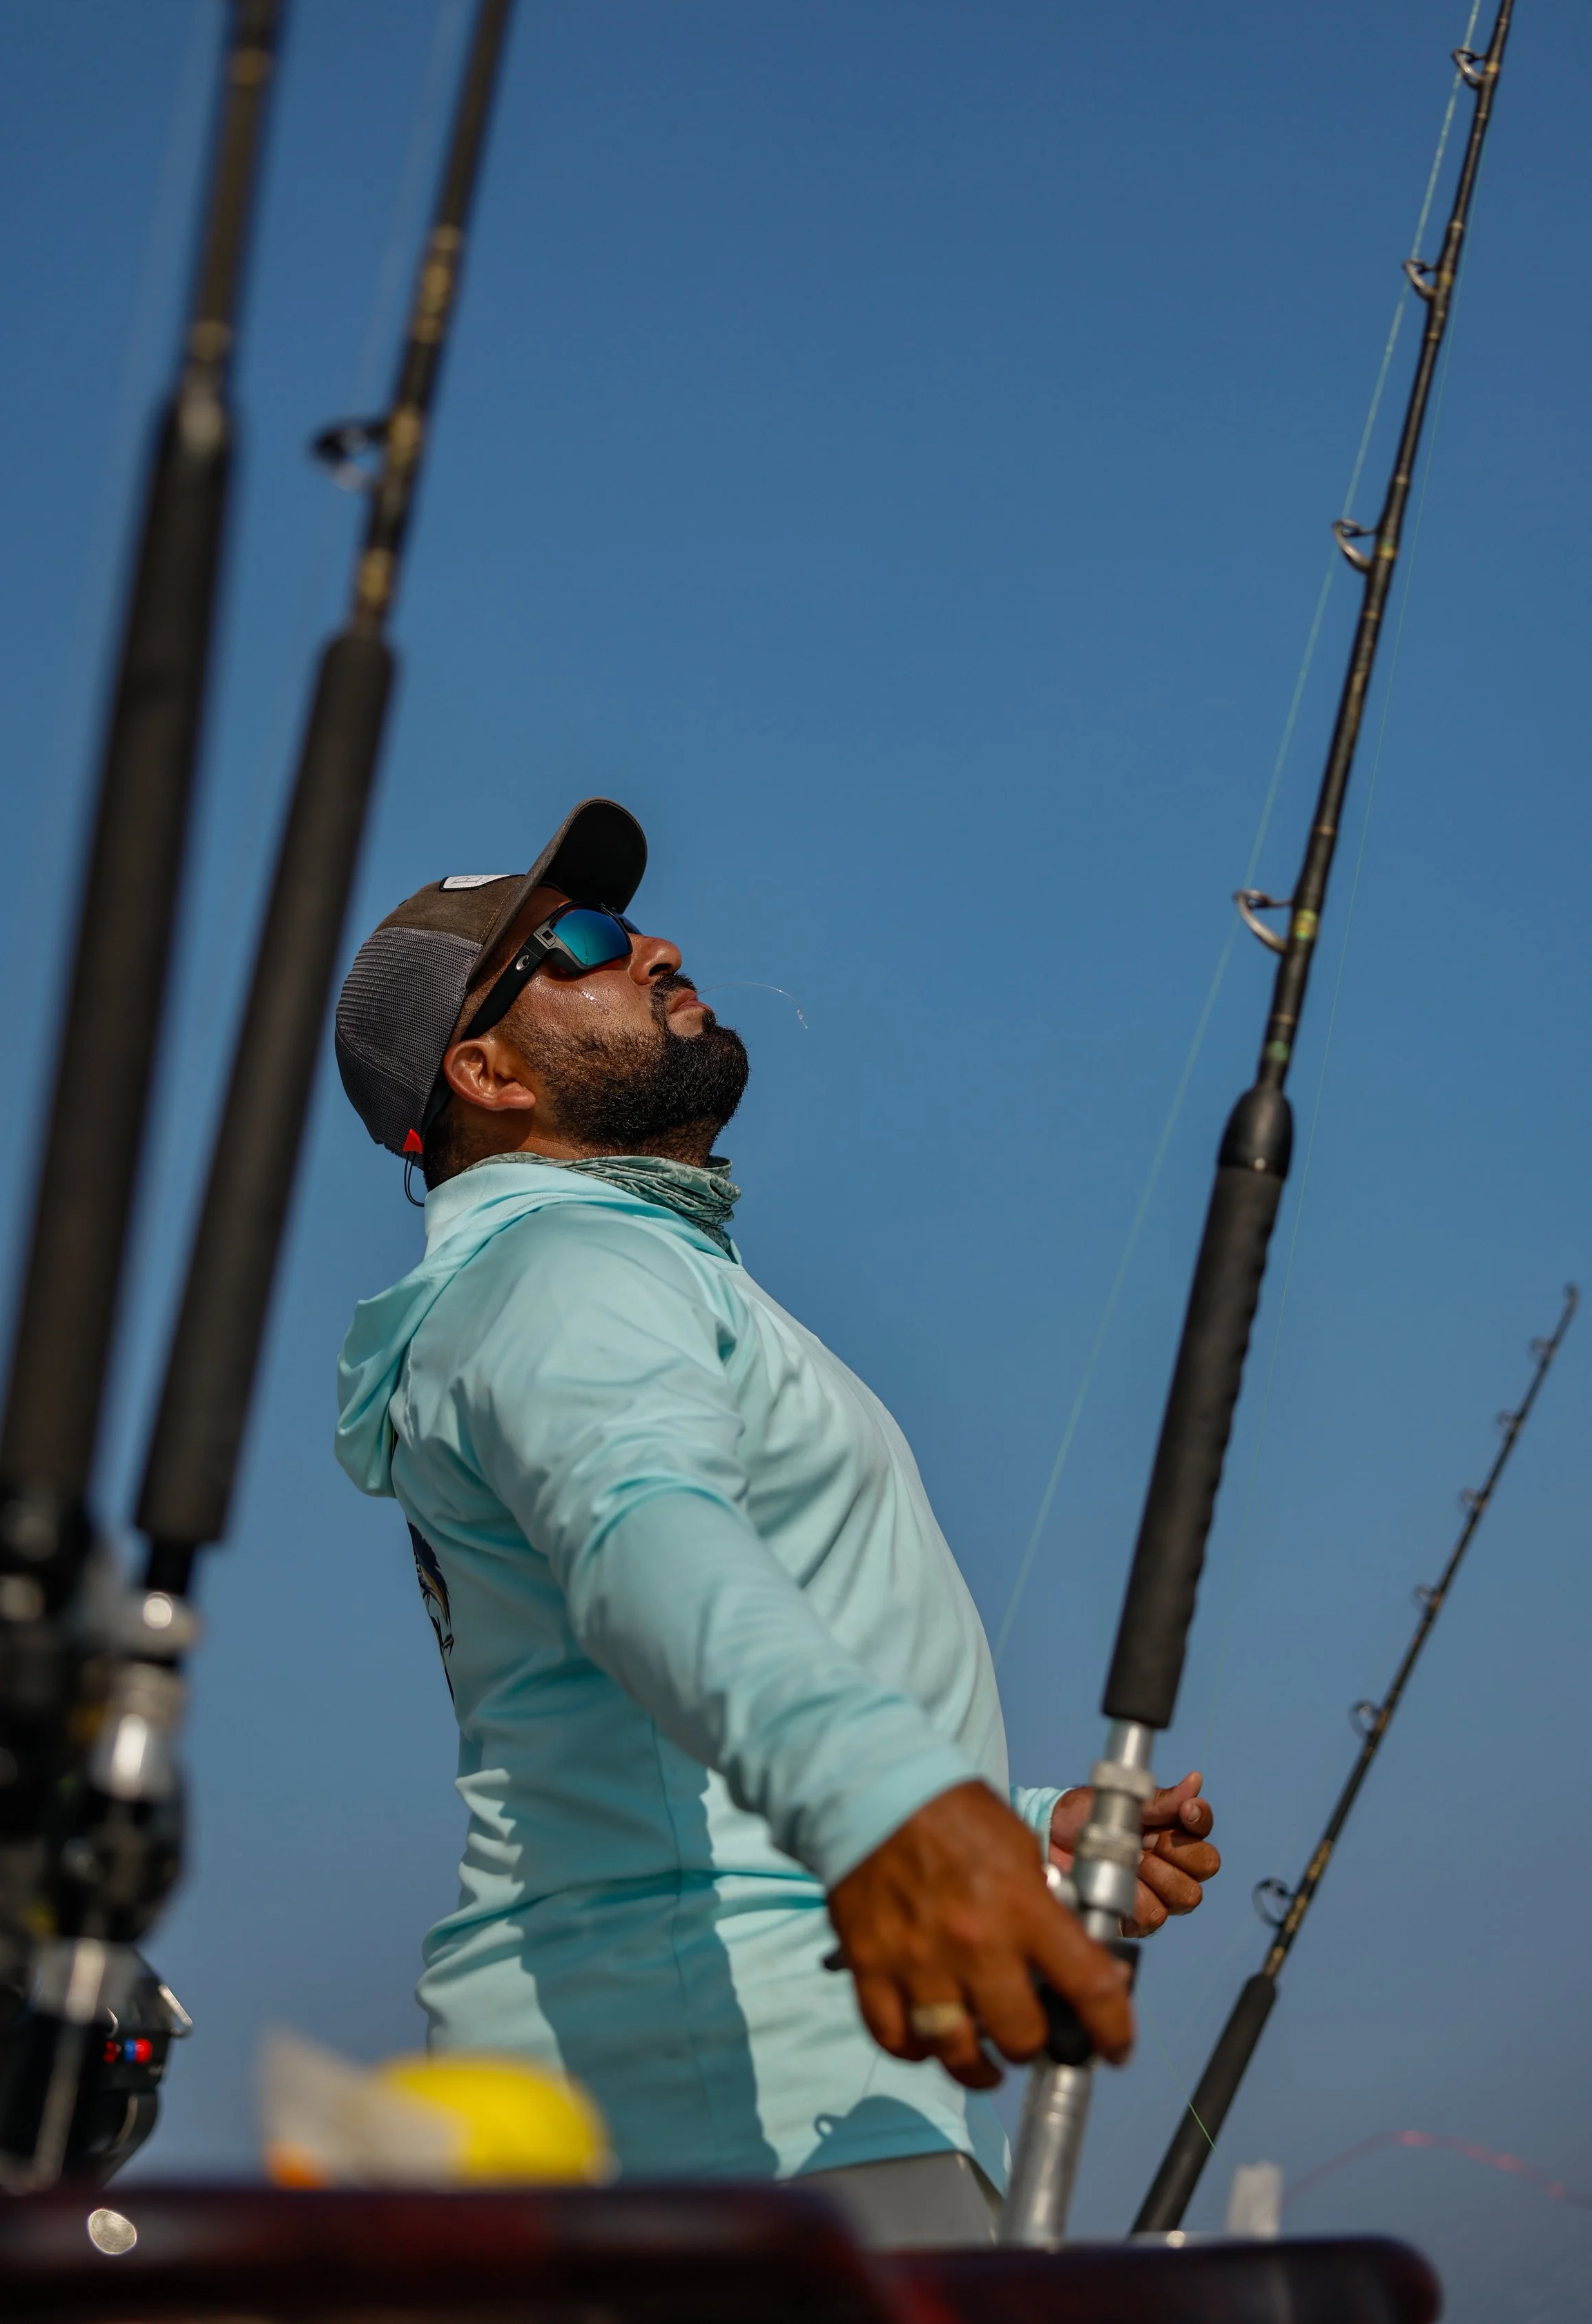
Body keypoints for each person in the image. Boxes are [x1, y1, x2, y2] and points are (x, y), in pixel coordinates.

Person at [333, 800, 1219, 2245]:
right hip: (730, 2136)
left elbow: (668, 1722)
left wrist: (1023, 1825)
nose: (655, 943)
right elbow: (644, 1547)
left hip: (767, 2113)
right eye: (583, 941)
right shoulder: (562, 1267)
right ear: (482, 1068)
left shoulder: (622, 1275)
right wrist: (891, 1809)